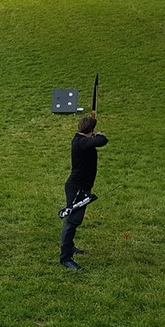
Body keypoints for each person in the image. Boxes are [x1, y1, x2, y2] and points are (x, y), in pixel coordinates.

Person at [60, 116, 108, 271]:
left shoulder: (83, 141)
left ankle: (70, 247)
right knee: (72, 221)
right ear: (91, 130)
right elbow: (102, 141)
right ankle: (66, 258)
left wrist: (93, 134)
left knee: (75, 221)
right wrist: (98, 134)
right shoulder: (81, 143)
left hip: (82, 187)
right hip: (77, 188)